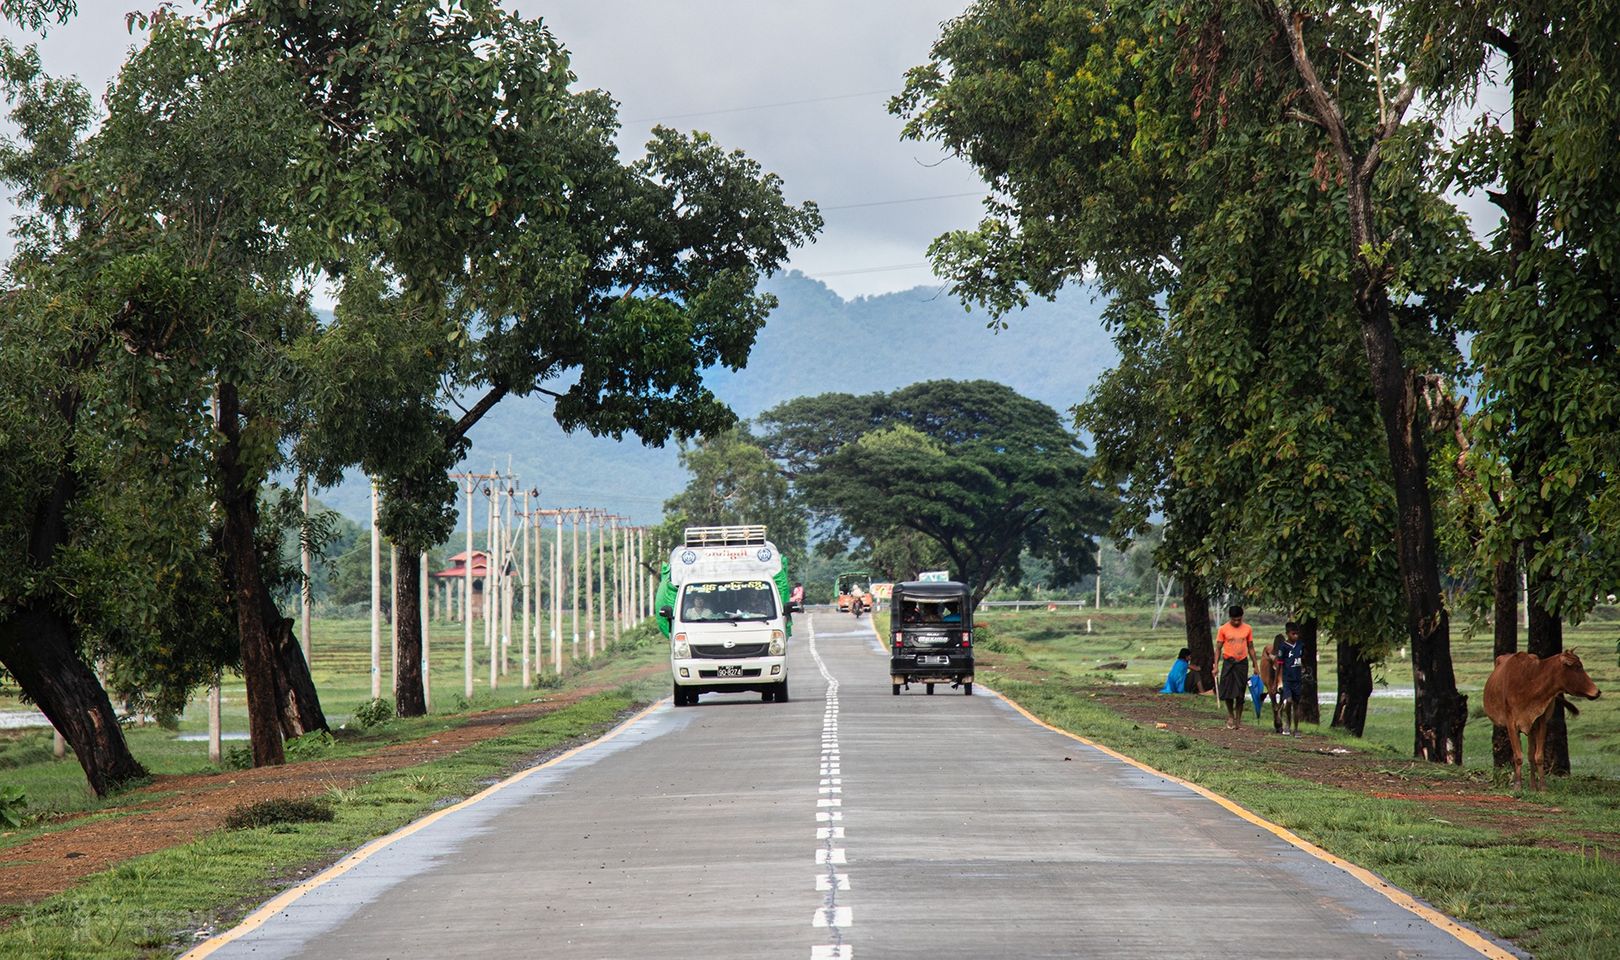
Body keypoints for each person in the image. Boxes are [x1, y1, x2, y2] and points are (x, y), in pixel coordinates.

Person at [1214, 605, 1258, 729]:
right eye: (1234, 620)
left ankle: (1238, 719)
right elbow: (1218, 649)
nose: (1237, 622)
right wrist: (1215, 666)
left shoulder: (1248, 629)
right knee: (1227, 691)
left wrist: (1255, 665)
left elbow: (1250, 647)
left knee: (1240, 692)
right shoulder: (1223, 629)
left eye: (1239, 619)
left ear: (1242, 617)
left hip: (1242, 663)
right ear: (1230, 618)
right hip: (1228, 662)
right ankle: (1230, 716)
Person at [1273, 622, 1307, 735]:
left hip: (1297, 679)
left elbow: (1302, 659)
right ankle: (1287, 723)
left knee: (1296, 704)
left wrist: (1303, 669)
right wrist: (1275, 683)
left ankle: (1296, 728)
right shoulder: (1283, 647)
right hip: (1287, 679)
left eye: (1297, 634)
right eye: (1293, 634)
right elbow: (1279, 664)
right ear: (1287, 634)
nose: (1295, 636)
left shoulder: (1300, 645)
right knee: (1288, 701)